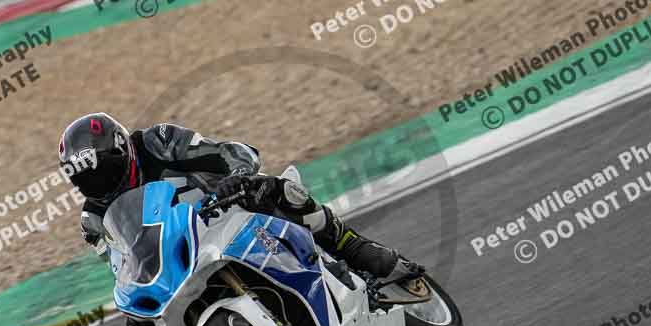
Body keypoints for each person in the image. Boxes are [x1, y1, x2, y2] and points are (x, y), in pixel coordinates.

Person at [58, 112, 423, 291]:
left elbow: (226, 151)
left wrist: (237, 173)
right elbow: (123, 268)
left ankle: (354, 248)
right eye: (86, 180)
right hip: (180, 257)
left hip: (229, 208)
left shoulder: (157, 141)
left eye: (104, 170)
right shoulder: (93, 220)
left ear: (122, 150)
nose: (99, 184)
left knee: (277, 190)